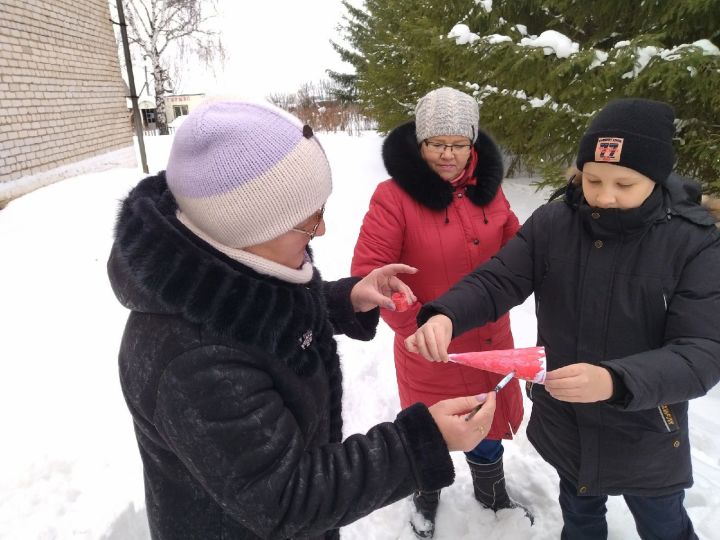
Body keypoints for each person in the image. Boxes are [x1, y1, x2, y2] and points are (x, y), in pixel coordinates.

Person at [107, 99, 497, 540]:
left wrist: (344, 299)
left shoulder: (228, 265)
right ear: (246, 228)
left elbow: (257, 314)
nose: (322, 230)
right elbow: (287, 496)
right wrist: (421, 443)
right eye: (308, 220)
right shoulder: (190, 360)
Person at [407, 98, 720, 539]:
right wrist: (446, 315)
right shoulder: (555, 222)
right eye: (592, 179)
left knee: (664, 524)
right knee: (580, 515)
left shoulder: (693, 243)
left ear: (655, 177)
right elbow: (499, 278)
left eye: (623, 184)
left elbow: (702, 352)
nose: (604, 195)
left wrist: (615, 381)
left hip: (646, 429)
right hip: (567, 424)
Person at [351, 86, 529, 537]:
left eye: (458, 144)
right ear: (420, 142)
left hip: (490, 340)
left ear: (472, 143)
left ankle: (491, 493)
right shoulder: (393, 197)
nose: (447, 154)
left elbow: (519, 251)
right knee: (430, 430)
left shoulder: (490, 191)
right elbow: (372, 275)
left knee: (487, 422)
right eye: (436, 143)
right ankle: (424, 496)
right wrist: (416, 327)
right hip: (429, 345)